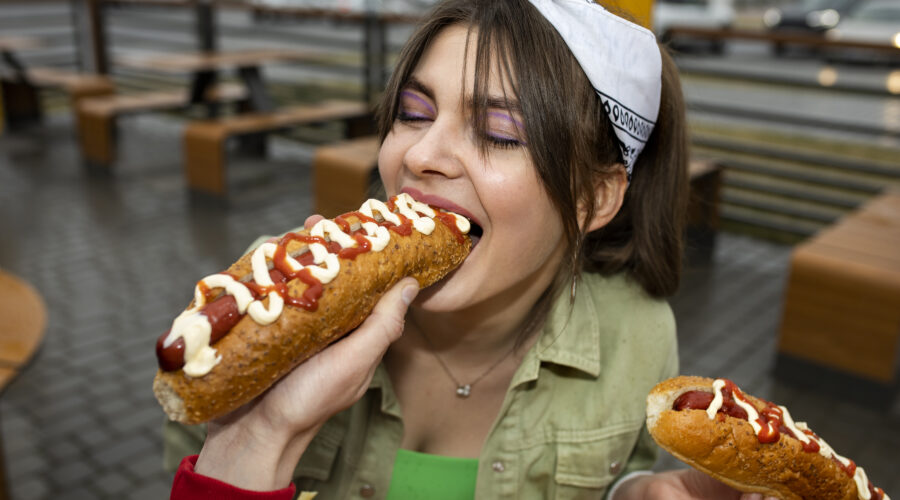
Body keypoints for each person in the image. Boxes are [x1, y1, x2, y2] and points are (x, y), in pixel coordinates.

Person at [163, 0, 773, 498]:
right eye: (413, 113)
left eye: (500, 133)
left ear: (593, 197)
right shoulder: (267, 303)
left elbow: (622, 470)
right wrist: (262, 434)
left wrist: (635, 493)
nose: (421, 155)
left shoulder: (636, 334)